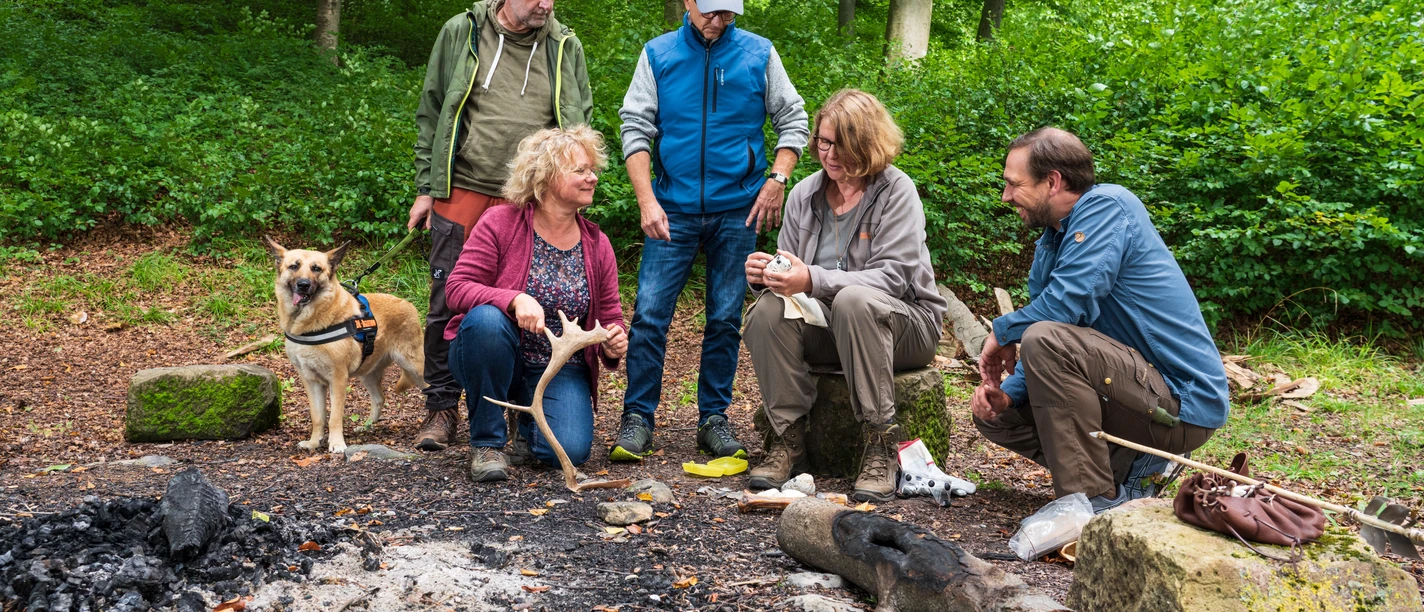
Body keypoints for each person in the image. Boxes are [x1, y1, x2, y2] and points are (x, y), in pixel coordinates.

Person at [970, 127, 1229, 513]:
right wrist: (1009, 395)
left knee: (1044, 337)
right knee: (998, 417)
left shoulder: (1107, 205)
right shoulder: (1052, 239)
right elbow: (1058, 340)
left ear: (1053, 182)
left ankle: (1091, 507)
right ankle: (1127, 474)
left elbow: (1061, 313)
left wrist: (1003, 330)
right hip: (1130, 393)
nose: (1006, 196)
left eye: (1013, 184)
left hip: (1182, 404)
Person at [613, 0, 809, 461]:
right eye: (710, 11)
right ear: (688, 2)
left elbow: (793, 119)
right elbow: (635, 127)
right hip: (672, 209)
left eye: (728, 13)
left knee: (723, 318)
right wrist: (647, 201)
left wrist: (777, 179)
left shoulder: (758, 54)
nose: (718, 21)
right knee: (649, 317)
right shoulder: (658, 54)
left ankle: (713, 418)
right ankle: (638, 417)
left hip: (737, 211)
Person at [742, 89, 947, 502]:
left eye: (842, 144)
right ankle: (787, 441)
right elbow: (795, 278)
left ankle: (880, 442)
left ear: (867, 143)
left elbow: (893, 279)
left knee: (855, 300)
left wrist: (811, 280)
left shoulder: (896, 191)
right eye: (823, 141)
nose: (829, 154)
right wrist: (768, 276)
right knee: (766, 311)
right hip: (831, 330)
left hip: (906, 326)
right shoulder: (805, 195)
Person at [409, 0, 593, 452]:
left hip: (532, 197)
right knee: (447, 298)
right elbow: (432, 110)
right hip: (463, 184)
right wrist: (426, 187)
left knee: (521, 299)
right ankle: (441, 407)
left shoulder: (564, 44)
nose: (547, 4)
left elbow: (579, 119)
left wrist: (569, 191)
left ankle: (513, 405)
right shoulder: (462, 31)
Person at [443, 127, 627, 481]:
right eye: (581, 170)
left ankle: (527, 425)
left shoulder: (597, 243)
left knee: (570, 451)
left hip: (558, 367)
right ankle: (488, 443)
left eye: (592, 169)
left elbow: (610, 318)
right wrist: (512, 298)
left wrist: (614, 343)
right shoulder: (500, 223)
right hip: (495, 351)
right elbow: (457, 288)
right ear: (545, 176)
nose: (593, 177)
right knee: (485, 321)